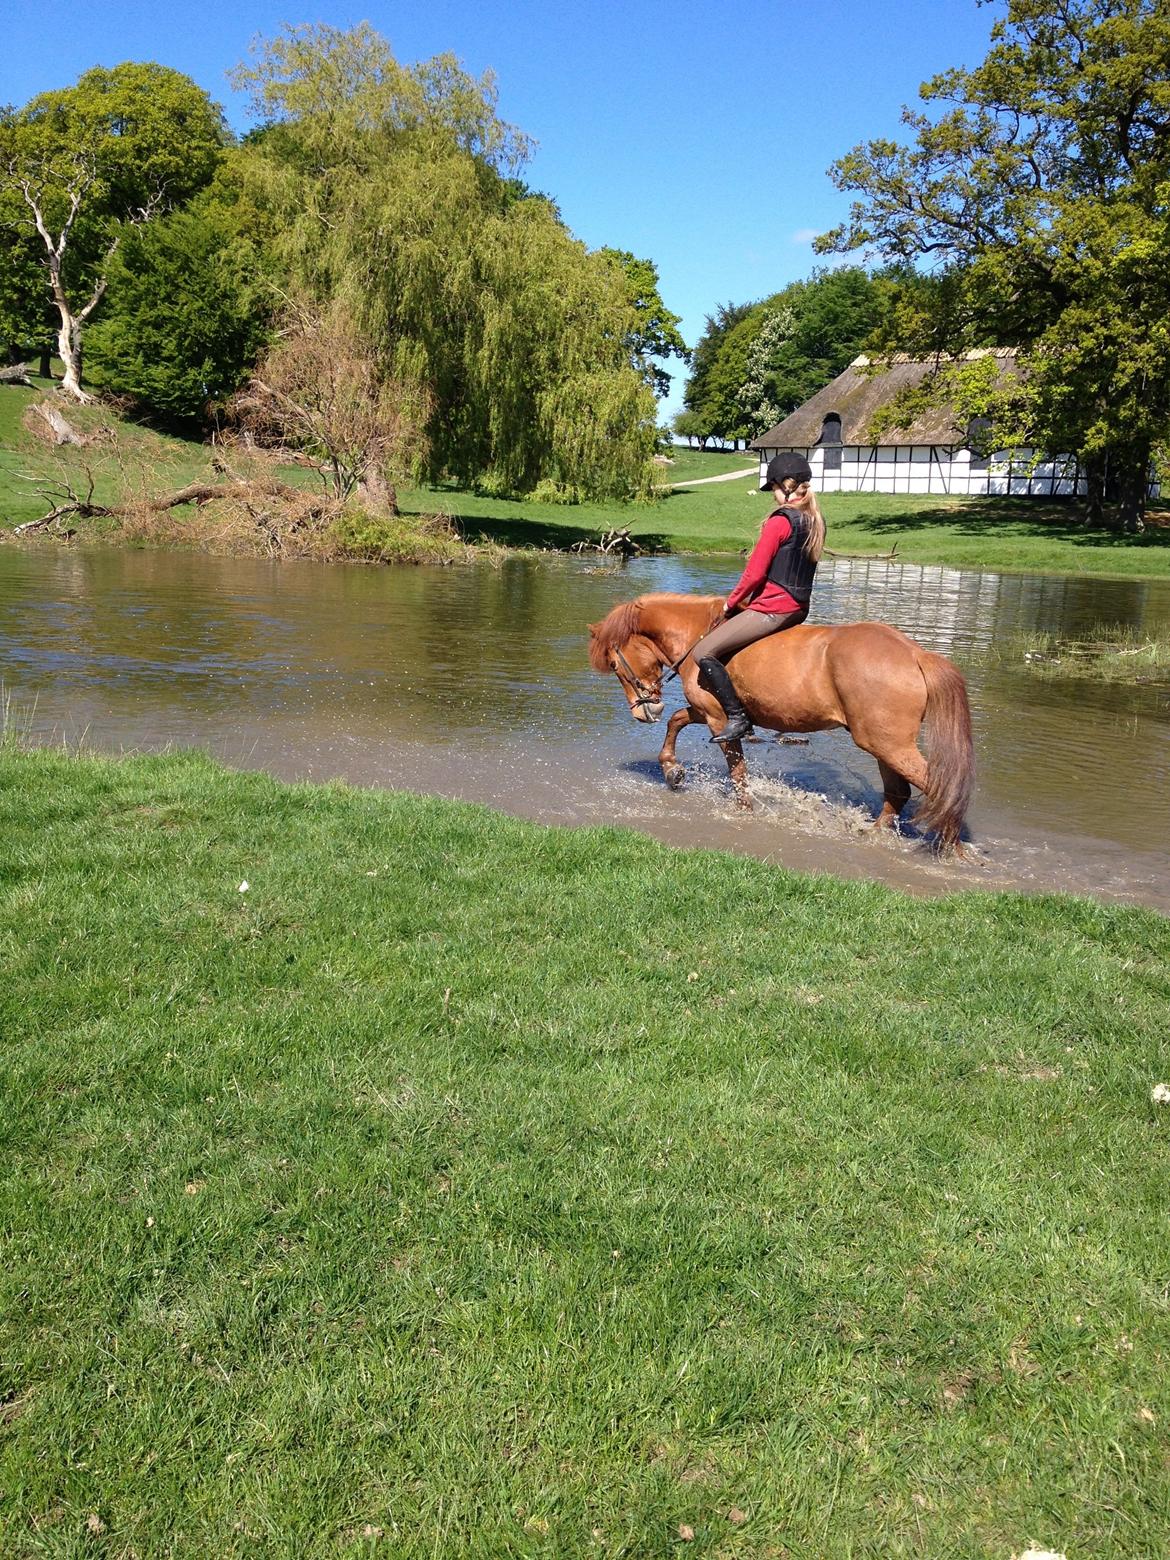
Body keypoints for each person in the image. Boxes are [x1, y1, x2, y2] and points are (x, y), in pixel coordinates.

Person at [691, 451, 826, 742]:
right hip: (800, 607)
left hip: (774, 608)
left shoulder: (780, 521)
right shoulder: (815, 520)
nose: (774, 495)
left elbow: (754, 575)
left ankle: (738, 718)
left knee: (702, 652)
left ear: (786, 486)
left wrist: (729, 604)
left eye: (774, 488)